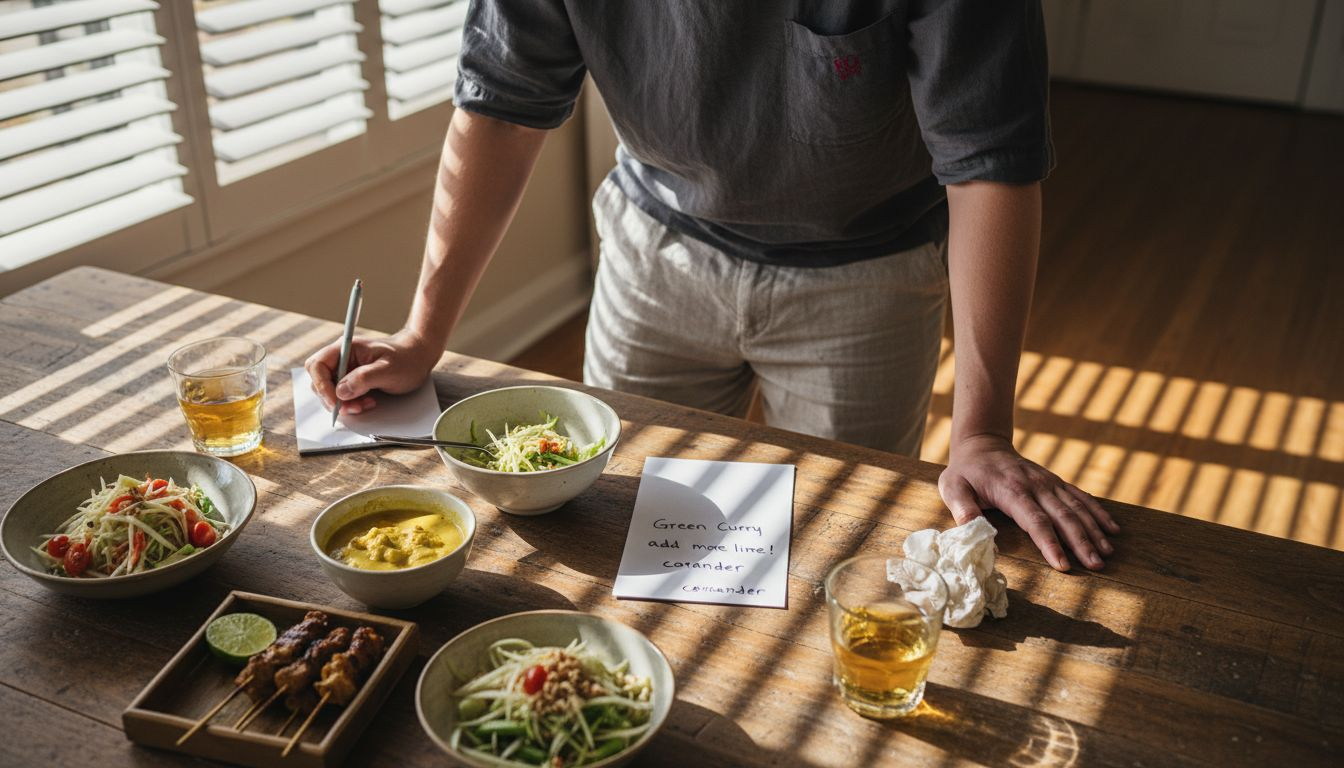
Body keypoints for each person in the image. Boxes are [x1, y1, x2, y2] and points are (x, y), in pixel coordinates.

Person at [306, 1, 1119, 571]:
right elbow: (501, 108)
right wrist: (421, 334)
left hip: (864, 278)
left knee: (827, 546)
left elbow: (989, 169)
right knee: (611, 523)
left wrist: (982, 430)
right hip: (653, 251)